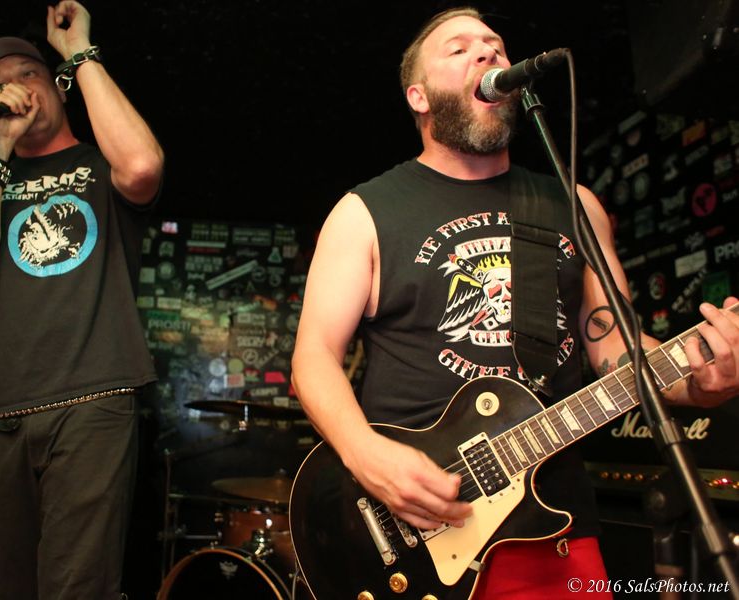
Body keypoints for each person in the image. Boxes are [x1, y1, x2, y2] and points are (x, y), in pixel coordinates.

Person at [290, 7, 739, 598]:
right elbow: (313, 357)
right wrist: (367, 455)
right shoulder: (365, 213)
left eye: (495, 46)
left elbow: (616, 349)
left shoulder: (574, 204)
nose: (486, 53)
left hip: (556, 528)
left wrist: (701, 382)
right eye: (458, 48)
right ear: (418, 97)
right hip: (414, 524)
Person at [0, 1, 163, 597]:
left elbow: (143, 165)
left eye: (27, 73)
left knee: (77, 586)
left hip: (92, 398)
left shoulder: (98, 164)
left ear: (59, 86)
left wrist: (77, 52)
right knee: (10, 585)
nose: (14, 87)